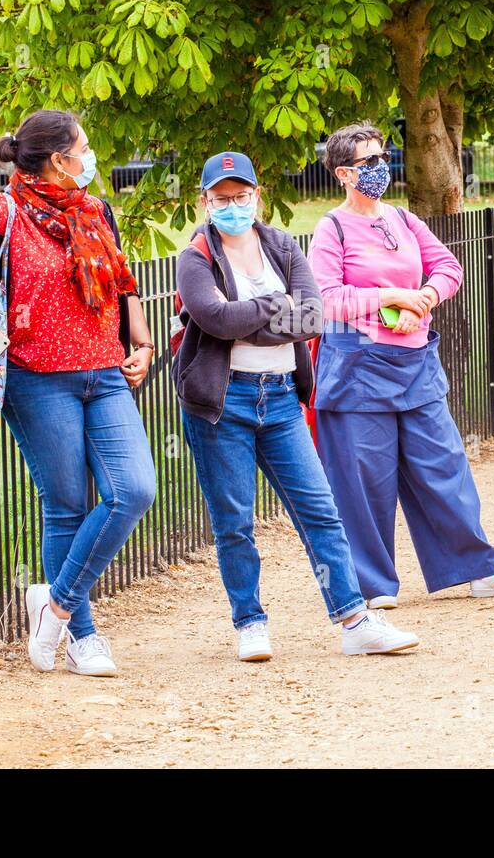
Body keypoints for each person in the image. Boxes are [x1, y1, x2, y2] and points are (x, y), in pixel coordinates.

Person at [0, 110, 156, 678]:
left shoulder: (96, 211)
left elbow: (121, 281)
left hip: (104, 372)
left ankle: (54, 606)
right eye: (84, 148)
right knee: (68, 506)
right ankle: (84, 636)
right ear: (58, 159)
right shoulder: (1, 213)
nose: (89, 158)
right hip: (37, 377)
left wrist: (143, 341)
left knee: (135, 490)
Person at [175, 151, 419, 659]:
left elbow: (311, 319)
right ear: (205, 202)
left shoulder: (281, 245)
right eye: (222, 199)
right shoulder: (197, 256)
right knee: (235, 522)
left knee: (320, 512)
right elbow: (214, 319)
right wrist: (271, 307)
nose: (233, 206)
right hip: (224, 403)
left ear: (257, 195)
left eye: (242, 196)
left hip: (282, 398)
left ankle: (354, 617)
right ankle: (250, 622)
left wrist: (251, 316)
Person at [307, 123, 494, 609]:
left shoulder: (404, 220)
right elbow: (325, 299)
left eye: (381, 157)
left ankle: (479, 568)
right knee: (362, 480)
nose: (379, 168)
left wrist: (427, 297)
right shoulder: (330, 229)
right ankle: (371, 588)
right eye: (367, 162)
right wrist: (391, 295)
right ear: (344, 174)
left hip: (415, 361)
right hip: (356, 368)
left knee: (445, 465)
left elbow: (448, 267)